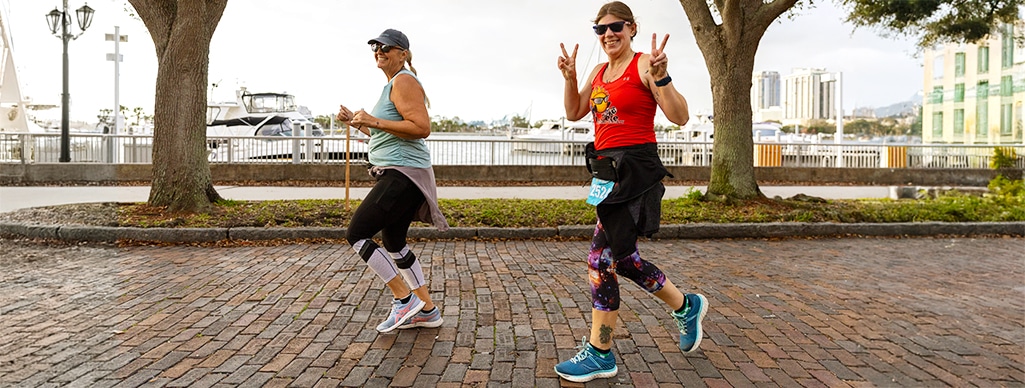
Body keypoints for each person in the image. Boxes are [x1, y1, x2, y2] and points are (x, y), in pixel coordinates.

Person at [553, 1, 707, 382]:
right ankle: (686, 306)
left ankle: (600, 351)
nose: (609, 34)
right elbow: (574, 112)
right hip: (607, 174)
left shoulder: (643, 65)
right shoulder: (600, 71)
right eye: (601, 29)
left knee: (600, 258)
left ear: (632, 28)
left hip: (636, 170)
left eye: (616, 27)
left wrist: (663, 77)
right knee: (622, 259)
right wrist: (570, 77)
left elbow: (680, 115)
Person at [335, 28, 448, 333]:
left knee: (357, 233)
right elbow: (388, 133)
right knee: (394, 243)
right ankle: (427, 310)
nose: (379, 50)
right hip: (401, 172)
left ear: (403, 53)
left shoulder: (404, 81)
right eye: (375, 46)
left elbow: (421, 127)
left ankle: (404, 299)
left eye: (386, 46)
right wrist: (358, 124)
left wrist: (372, 119)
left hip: (403, 174)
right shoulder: (393, 85)